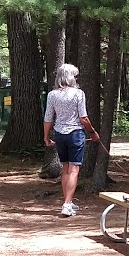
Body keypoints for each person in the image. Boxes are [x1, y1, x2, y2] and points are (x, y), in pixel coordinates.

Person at [43, 63, 101, 216]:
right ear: (70, 77)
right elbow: (84, 117)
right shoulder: (78, 94)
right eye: (75, 76)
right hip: (75, 134)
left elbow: (48, 118)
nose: (76, 78)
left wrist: (46, 136)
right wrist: (93, 132)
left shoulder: (52, 95)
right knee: (74, 170)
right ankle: (67, 204)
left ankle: (67, 201)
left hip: (59, 134)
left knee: (66, 169)